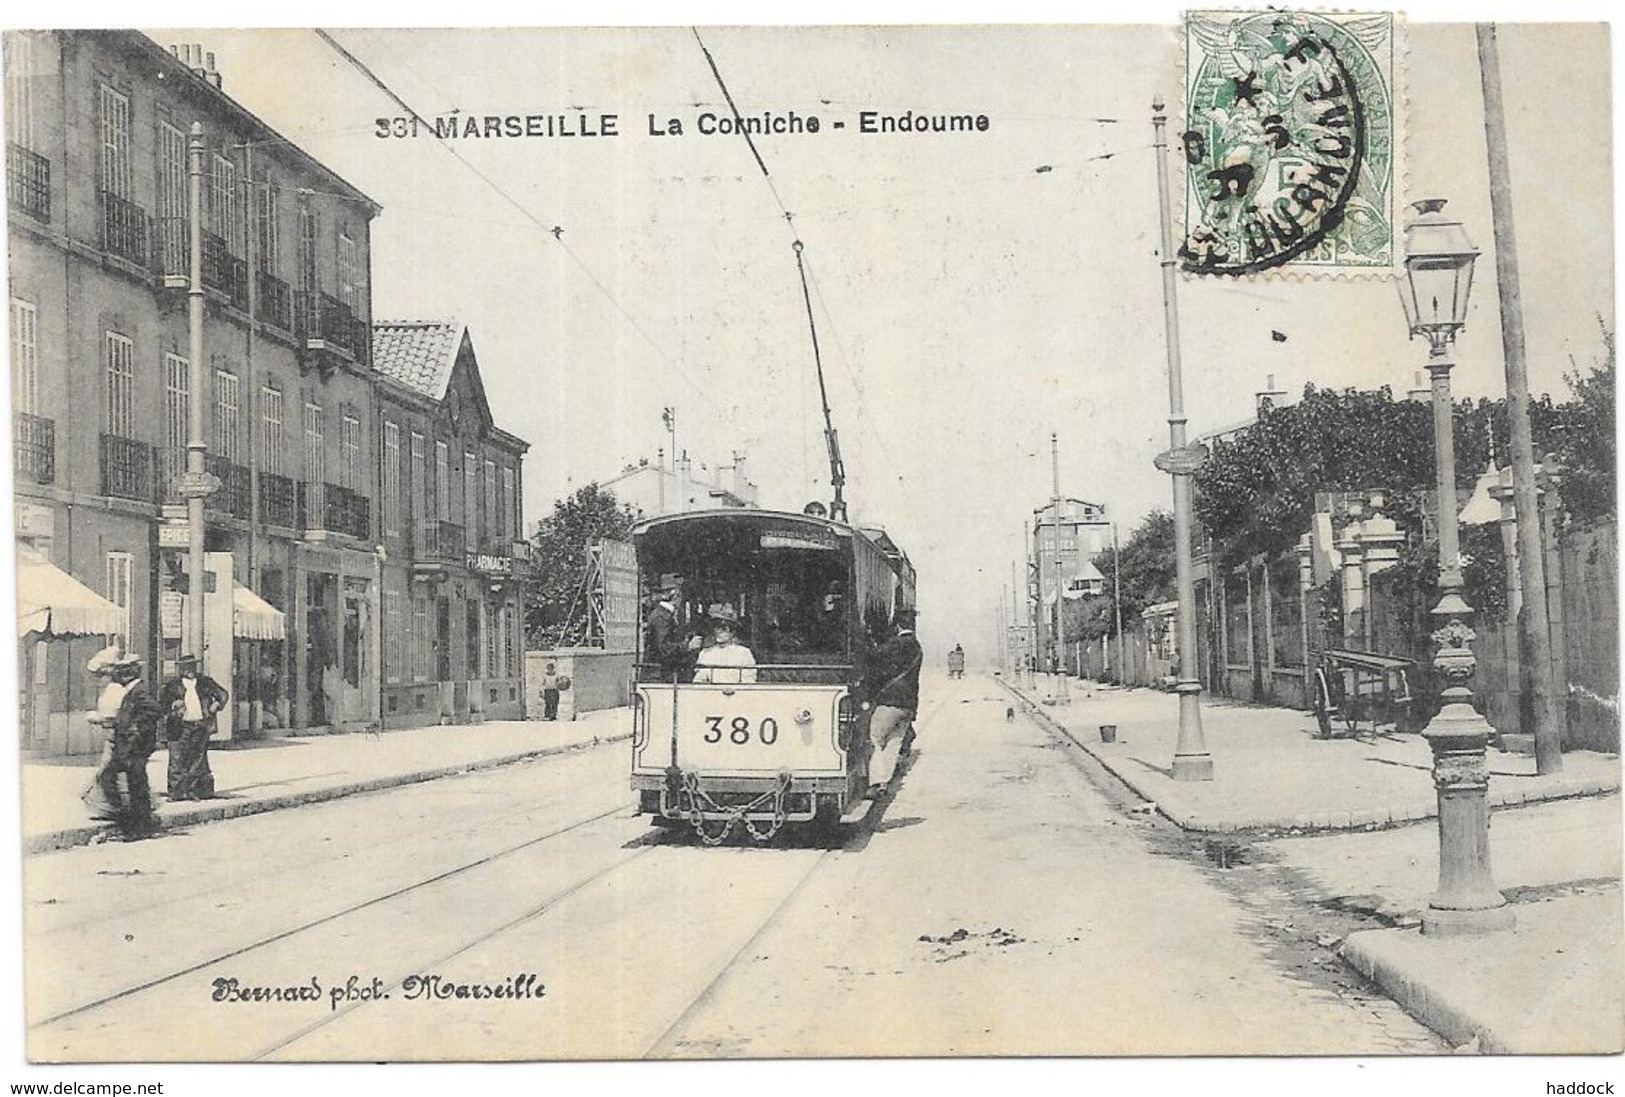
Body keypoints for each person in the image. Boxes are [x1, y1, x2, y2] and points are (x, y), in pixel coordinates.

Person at [94, 652, 164, 837]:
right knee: (133, 783)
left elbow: (156, 710)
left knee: (130, 782)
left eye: (123, 671)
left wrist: (136, 727)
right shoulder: (132, 690)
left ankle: (134, 822)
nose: (119, 676)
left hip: (136, 745)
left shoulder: (139, 691)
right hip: (129, 744)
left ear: (129, 674)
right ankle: (136, 821)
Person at [862, 608, 923, 798]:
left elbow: (875, 656)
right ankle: (884, 783)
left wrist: (866, 639)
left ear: (897, 626)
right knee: (893, 744)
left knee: (874, 739)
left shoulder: (897, 643)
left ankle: (875, 783)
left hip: (891, 702)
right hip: (909, 705)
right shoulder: (917, 646)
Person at [160, 655, 228, 801]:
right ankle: (176, 793)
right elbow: (163, 704)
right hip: (179, 727)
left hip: (200, 725)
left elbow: (223, 694)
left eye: (192, 667)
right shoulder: (173, 685)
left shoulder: (205, 682)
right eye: (186, 667)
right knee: (177, 759)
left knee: (197, 759)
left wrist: (217, 705)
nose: (190, 670)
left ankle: (194, 790)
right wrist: (173, 707)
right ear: (181, 669)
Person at [644, 584, 698, 680]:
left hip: (663, 673)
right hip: (659, 675)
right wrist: (687, 646)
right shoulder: (661, 616)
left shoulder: (664, 614)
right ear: (676, 596)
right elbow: (664, 648)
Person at [693, 606, 758, 685]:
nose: (718, 631)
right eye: (716, 627)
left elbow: (748, 681)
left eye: (723, 628)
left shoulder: (743, 653)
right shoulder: (706, 654)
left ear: (732, 632)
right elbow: (699, 681)